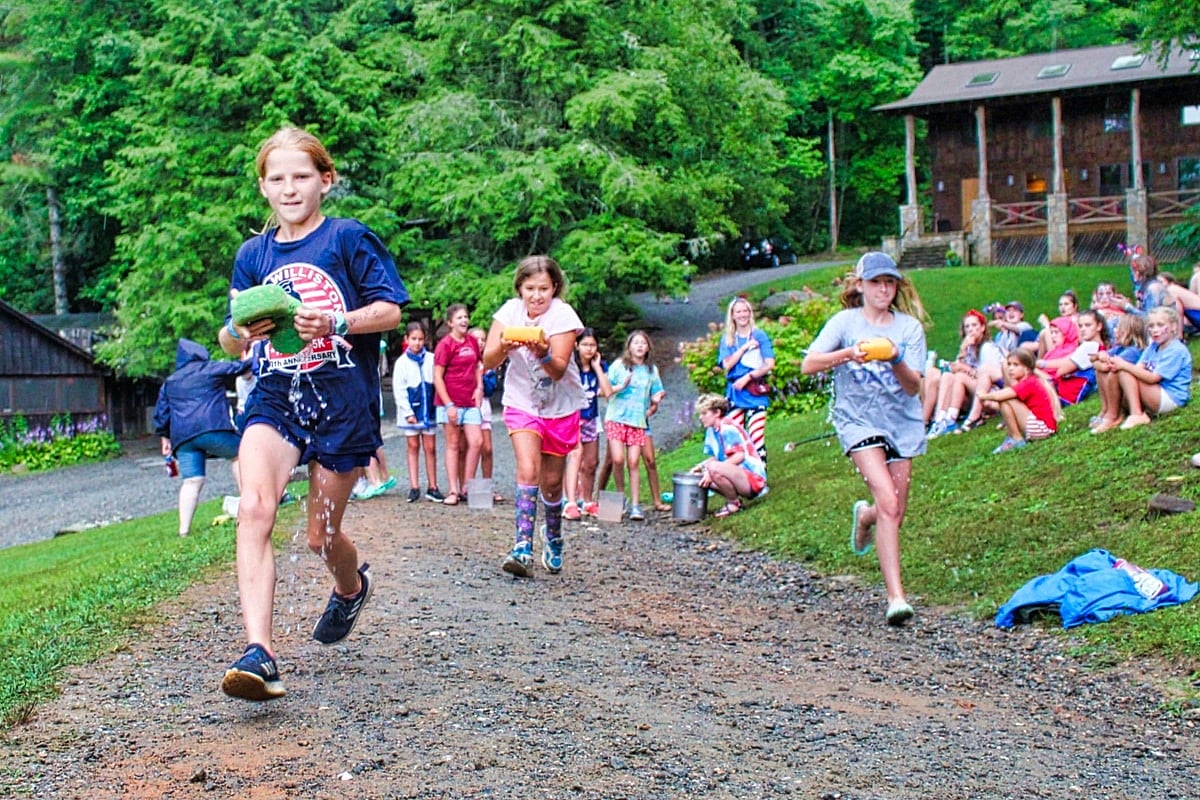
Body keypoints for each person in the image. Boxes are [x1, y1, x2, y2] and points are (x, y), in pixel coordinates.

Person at [216, 127, 407, 701]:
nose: (289, 188)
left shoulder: (348, 239)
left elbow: (391, 311)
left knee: (320, 538)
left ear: (326, 180)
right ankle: (260, 653)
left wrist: (336, 322)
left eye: (302, 176)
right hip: (275, 393)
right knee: (253, 508)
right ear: (263, 187)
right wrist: (238, 332)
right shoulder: (254, 255)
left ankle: (351, 588)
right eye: (277, 178)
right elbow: (231, 341)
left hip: (342, 400)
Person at [800, 252, 927, 626]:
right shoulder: (845, 322)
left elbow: (912, 387)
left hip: (901, 422)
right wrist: (848, 355)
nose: (884, 289)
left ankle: (865, 515)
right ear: (861, 286)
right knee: (888, 499)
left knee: (893, 511)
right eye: (876, 282)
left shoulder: (908, 329)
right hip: (857, 421)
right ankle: (896, 598)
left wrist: (896, 358)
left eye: (889, 283)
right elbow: (809, 364)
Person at [481, 255, 584, 577]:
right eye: (530, 288)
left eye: (543, 288)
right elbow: (488, 359)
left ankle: (552, 536)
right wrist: (504, 347)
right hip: (521, 401)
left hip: (560, 405)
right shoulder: (509, 312)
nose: (536, 296)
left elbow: (557, 370)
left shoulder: (563, 316)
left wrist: (543, 352)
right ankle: (522, 547)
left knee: (552, 485)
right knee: (528, 468)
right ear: (520, 288)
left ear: (554, 287)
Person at [153, 338, 250, 537]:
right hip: (212, 428)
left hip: (183, 439)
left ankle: (183, 530)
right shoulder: (210, 368)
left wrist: (165, 438)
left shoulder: (170, 381)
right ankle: (249, 504)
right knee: (239, 455)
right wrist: (257, 354)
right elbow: (239, 368)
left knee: (192, 481)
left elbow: (162, 412)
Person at [1091, 306, 1192, 433]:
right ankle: (1112, 415)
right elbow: (1138, 368)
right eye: (1151, 326)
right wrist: (1107, 361)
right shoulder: (1153, 347)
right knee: (1118, 371)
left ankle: (1136, 414)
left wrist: (1123, 365)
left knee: (1124, 370)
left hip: (1171, 398)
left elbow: (1153, 378)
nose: (1155, 330)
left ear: (1173, 327)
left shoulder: (1176, 350)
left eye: (1160, 325)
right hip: (1154, 394)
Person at [604, 330, 666, 522]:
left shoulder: (651, 370)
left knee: (633, 462)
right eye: (636, 343)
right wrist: (621, 386)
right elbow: (604, 390)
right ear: (629, 346)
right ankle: (620, 498)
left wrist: (656, 402)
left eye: (643, 343)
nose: (639, 346)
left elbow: (657, 393)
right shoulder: (618, 366)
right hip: (616, 417)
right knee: (618, 458)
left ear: (648, 348)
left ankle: (636, 505)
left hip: (638, 422)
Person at [433, 304, 483, 506]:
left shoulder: (472, 341)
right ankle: (453, 489)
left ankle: (468, 486)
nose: (464, 320)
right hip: (451, 401)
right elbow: (437, 376)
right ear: (450, 322)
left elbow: (478, 366)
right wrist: (449, 405)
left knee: (476, 441)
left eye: (466, 317)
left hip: (470, 401)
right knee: (453, 445)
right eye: (459, 317)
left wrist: (479, 387)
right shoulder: (445, 345)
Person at [924, 309, 1000, 437]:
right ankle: (938, 420)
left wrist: (964, 369)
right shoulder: (969, 347)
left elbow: (986, 378)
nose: (971, 330)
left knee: (959, 377)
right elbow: (953, 368)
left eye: (974, 325)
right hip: (971, 392)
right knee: (946, 376)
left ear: (982, 328)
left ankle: (951, 418)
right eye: (967, 327)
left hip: (990, 394)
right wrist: (962, 349)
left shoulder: (987, 348)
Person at [690, 393, 768, 517]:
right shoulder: (712, 431)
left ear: (717, 412)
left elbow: (739, 456)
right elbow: (717, 457)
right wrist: (699, 467)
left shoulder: (727, 428)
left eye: (704, 413)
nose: (701, 417)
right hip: (738, 476)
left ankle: (734, 504)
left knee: (713, 469)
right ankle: (733, 501)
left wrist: (711, 470)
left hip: (753, 479)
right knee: (700, 474)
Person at [562, 328, 611, 519]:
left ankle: (588, 501)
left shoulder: (600, 366)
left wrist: (598, 367)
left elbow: (607, 392)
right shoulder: (569, 365)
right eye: (585, 345)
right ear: (577, 345)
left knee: (591, 462)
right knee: (576, 454)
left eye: (592, 345)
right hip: (572, 416)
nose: (589, 349)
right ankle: (570, 500)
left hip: (591, 417)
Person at [718, 296, 775, 460]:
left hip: (755, 391)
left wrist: (748, 377)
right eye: (739, 312)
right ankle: (741, 479)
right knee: (735, 440)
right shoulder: (728, 339)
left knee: (757, 438)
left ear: (750, 313)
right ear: (733, 315)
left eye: (745, 311)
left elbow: (769, 363)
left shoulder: (759, 335)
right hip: (735, 393)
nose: (742, 315)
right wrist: (744, 348)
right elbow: (727, 365)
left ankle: (761, 478)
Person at [393, 321, 442, 503]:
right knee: (413, 446)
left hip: (428, 409)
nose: (417, 343)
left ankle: (433, 485)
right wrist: (407, 412)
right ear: (407, 339)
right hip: (412, 410)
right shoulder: (401, 363)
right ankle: (414, 486)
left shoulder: (432, 359)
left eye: (420, 339)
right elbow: (399, 390)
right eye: (413, 339)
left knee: (430, 447)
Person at [977, 349, 1058, 454]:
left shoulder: (1029, 383)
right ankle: (1011, 437)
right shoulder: (1028, 381)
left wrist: (983, 395)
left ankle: (1016, 439)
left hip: (1042, 429)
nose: (1010, 369)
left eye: (1016, 365)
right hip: (1043, 427)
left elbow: (999, 396)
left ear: (1027, 369)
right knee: (1005, 400)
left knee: (1004, 399)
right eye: (1009, 364)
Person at [1037, 308, 1107, 406]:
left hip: (1066, 396)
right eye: (1080, 326)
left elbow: (1061, 371)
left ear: (1099, 326)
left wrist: (1039, 365)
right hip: (1066, 392)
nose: (1083, 329)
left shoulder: (1089, 346)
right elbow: (1065, 362)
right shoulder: (1099, 346)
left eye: (1088, 325)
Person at [468, 326, 505, 504]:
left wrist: (485, 374)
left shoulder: (488, 362)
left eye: (483, 339)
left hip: (484, 406)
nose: (480, 343)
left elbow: (491, 389)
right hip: (467, 405)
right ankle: (468, 485)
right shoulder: (464, 359)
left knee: (487, 449)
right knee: (468, 448)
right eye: (477, 339)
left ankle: (486, 485)